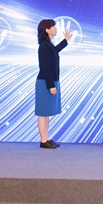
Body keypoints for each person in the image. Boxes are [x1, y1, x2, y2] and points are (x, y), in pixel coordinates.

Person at [36, 19, 71, 149]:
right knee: (43, 112)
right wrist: (51, 85)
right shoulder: (44, 45)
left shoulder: (48, 45)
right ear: (47, 30)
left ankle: (46, 138)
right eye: (53, 27)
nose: (55, 28)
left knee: (47, 112)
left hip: (50, 80)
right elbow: (45, 66)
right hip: (45, 81)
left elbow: (55, 51)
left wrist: (65, 40)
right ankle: (43, 140)